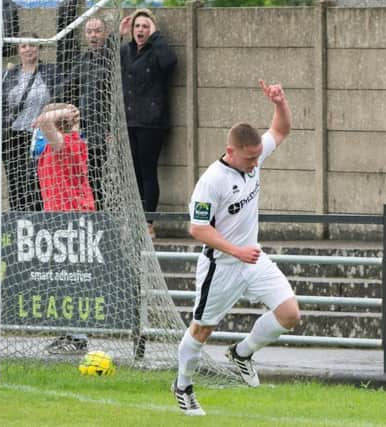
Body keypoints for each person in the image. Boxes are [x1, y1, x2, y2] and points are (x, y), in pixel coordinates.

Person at [172, 80, 300, 416]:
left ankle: (242, 353)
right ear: (231, 151)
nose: (255, 163)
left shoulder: (254, 157)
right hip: (222, 266)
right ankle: (183, 385)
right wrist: (235, 251)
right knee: (201, 330)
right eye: (249, 158)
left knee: (290, 314)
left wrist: (280, 102)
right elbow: (197, 228)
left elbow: (281, 130)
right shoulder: (211, 181)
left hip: (252, 258)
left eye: (258, 156)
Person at [119, 9, 177, 239]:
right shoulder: (126, 51)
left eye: (145, 26)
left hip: (151, 122)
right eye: (137, 26)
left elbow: (170, 64)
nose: (140, 30)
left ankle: (148, 222)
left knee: (148, 171)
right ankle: (134, 219)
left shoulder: (157, 50)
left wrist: (157, 36)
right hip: (130, 120)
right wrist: (119, 35)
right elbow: (109, 65)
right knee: (133, 174)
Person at [56, 16, 116, 211]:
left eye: (97, 31)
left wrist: (110, 127)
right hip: (84, 128)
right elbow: (67, 88)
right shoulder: (83, 61)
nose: (93, 35)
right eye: (89, 31)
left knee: (100, 175)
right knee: (86, 175)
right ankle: (90, 211)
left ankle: (101, 213)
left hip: (103, 129)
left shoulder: (112, 58)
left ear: (105, 33)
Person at [2, 33, 59, 211]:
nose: (28, 49)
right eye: (24, 46)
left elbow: (58, 98)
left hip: (39, 136)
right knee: (15, 182)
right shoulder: (9, 74)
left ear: (39, 48)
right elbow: (2, 104)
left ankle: (36, 220)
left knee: (36, 181)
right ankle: (16, 218)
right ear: (18, 50)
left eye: (32, 45)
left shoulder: (50, 72)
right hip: (13, 136)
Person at [31, 103, 95, 212]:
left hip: (73, 213)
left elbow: (43, 120)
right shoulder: (74, 141)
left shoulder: (64, 144)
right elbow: (44, 121)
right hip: (65, 213)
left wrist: (65, 113)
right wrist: (73, 114)